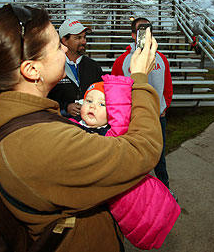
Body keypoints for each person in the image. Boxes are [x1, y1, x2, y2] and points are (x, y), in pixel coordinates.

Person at [0, 4, 163, 251]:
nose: (64, 50)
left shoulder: (9, 116)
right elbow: (142, 151)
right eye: (58, 45)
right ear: (32, 69)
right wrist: (140, 79)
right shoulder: (42, 142)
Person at [69, 76, 181, 250]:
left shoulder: (112, 136)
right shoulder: (69, 128)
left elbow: (120, 120)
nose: (92, 106)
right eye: (89, 100)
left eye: (102, 104)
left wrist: (119, 87)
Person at [111, 17, 175, 197]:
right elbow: (115, 90)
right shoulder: (123, 61)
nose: (146, 35)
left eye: (149, 31)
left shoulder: (161, 59)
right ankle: (138, 196)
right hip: (134, 118)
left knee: (159, 157)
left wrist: (165, 106)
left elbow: (168, 86)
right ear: (133, 35)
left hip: (157, 116)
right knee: (136, 158)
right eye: (141, 31)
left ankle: (165, 191)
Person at [47, 17, 103, 118]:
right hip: (60, 124)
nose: (84, 41)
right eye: (78, 38)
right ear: (65, 40)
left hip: (89, 125)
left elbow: (102, 95)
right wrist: (65, 107)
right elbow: (45, 98)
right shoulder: (52, 66)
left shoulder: (93, 67)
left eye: (84, 37)